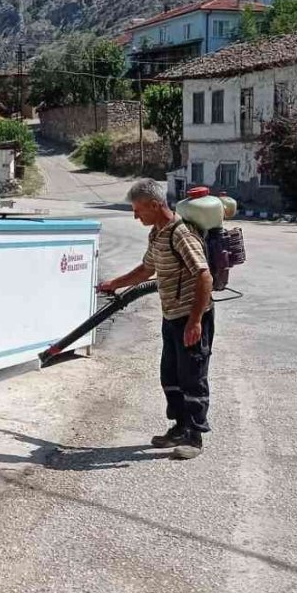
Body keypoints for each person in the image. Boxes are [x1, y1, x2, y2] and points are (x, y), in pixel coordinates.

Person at [97, 178, 214, 460]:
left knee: (192, 376)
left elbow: (204, 276)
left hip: (191, 317)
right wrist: (115, 283)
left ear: (154, 204)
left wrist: (195, 320)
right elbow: (146, 270)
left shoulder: (181, 234)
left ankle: (194, 436)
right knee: (170, 375)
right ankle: (179, 426)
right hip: (171, 316)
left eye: (138, 210)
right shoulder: (157, 234)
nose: (135, 216)